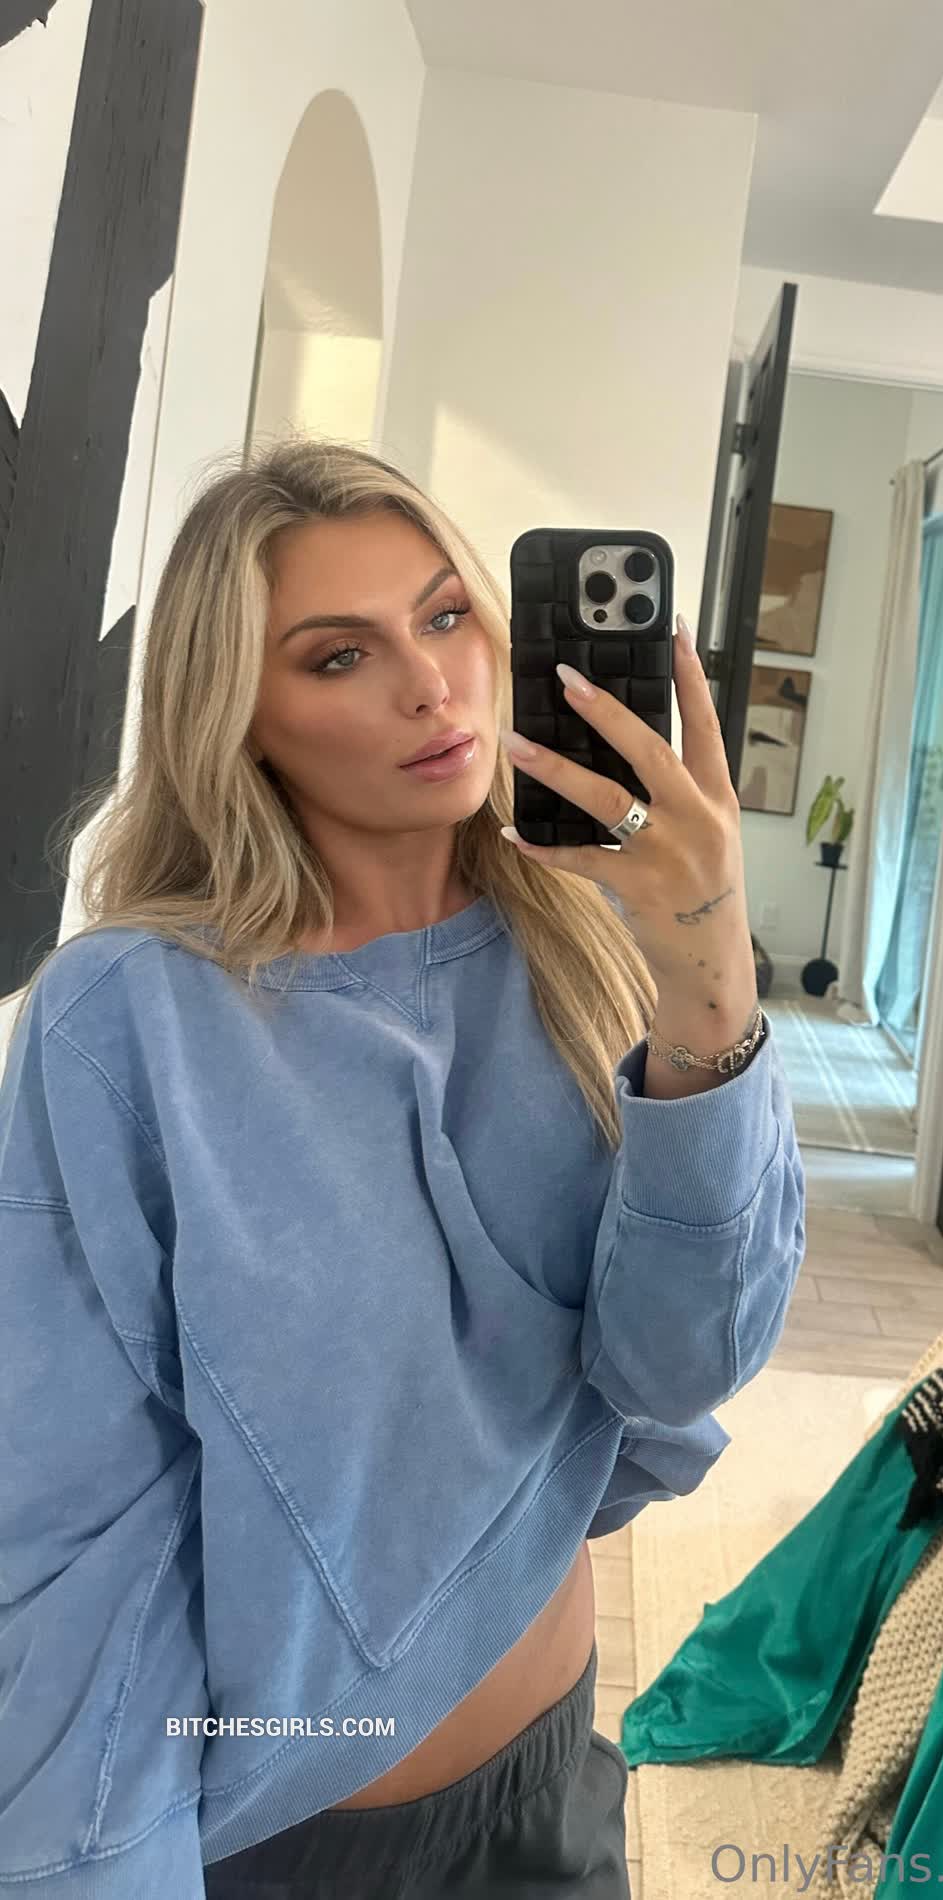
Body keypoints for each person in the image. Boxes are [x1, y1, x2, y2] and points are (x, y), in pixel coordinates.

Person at [0, 440, 807, 1897]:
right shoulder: (132, 1017)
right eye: (339, 655)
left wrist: (707, 972)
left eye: (445, 617)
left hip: (552, 1801)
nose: (432, 686)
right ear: (237, 715)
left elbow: (682, 1365)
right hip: (282, 1840)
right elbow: (68, 1513)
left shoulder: (598, 947)